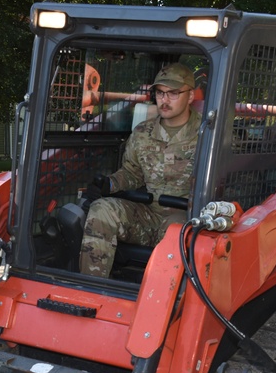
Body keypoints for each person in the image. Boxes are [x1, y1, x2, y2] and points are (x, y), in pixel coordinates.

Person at [79, 63, 200, 277]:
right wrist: (109, 184)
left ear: (190, 96)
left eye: (173, 93)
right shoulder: (143, 132)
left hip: (186, 218)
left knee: (176, 233)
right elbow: (132, 173)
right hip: (147, 214)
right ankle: (93, 289)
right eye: (160, 93)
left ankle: (165, 304)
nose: (164, 99)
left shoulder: (208, 135)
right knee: (101, 209)